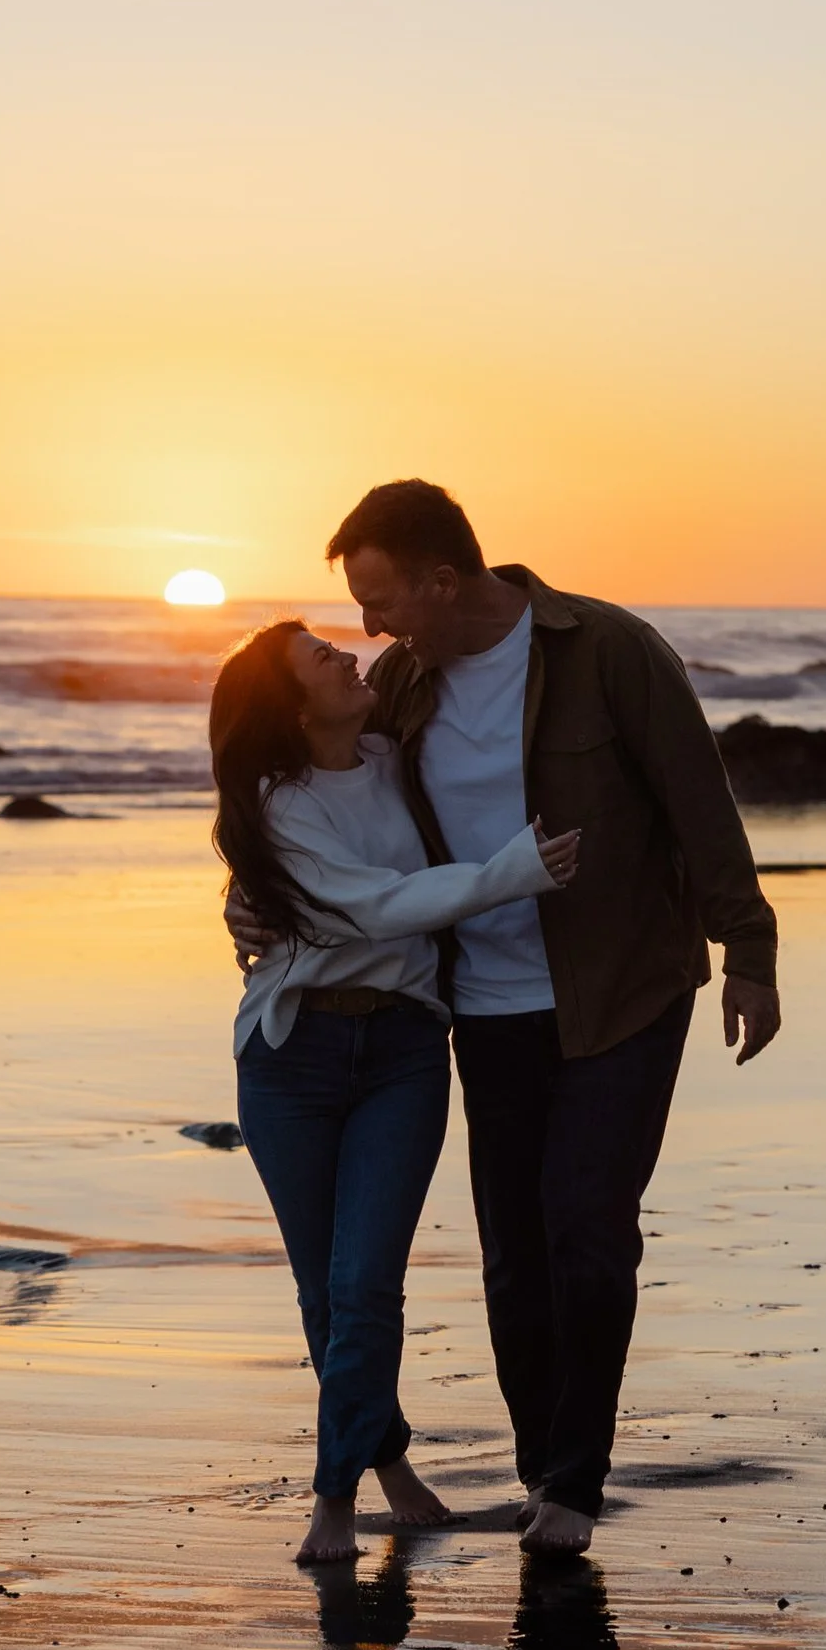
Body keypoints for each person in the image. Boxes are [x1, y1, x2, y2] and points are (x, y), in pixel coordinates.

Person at [230, 481, 780, 1558]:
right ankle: (542, 1466)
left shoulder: (609, 652)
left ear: (444, 579)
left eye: (383, 600)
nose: (371, 628)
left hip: (621, 988)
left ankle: (575, 1479)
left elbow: (698, 804)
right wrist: (254, 895)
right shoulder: (396, 688)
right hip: (478, 1006)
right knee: (513, 1258)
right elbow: (320, 803)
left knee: (586, 1229)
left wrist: (747, 953)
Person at [212, 616, 581, 1567]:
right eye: (321, 661)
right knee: (327, 1291)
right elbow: (376, 901)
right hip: (292, 1058)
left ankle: (332, 1498)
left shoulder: (397, 759)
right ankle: (384, 1463)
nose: (346, 657)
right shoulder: (276, 803)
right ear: (290, 710)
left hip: (403, 1050)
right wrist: (516, 874)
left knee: (366, 1282)